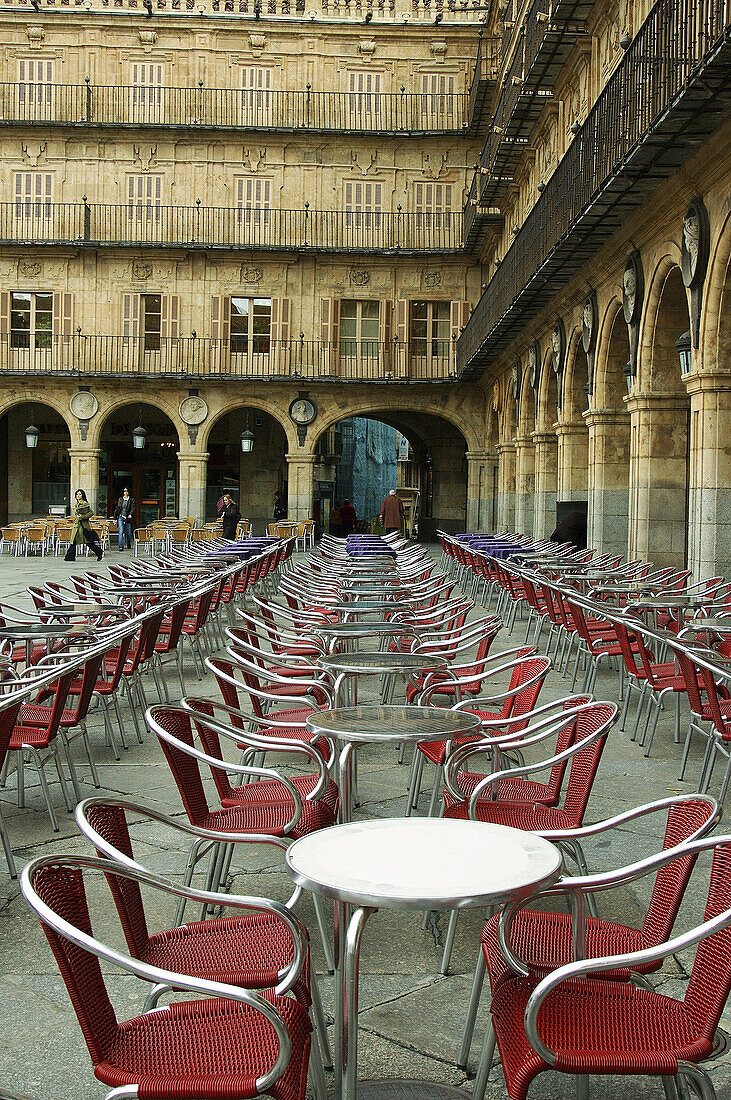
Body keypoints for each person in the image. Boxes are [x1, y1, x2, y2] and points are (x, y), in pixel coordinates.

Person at [65, 489, 103, 562]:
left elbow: (91, 513)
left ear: (82, 495)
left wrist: (82, 517)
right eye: (77, 494)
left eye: (79, 494)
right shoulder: (77, 504)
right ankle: (70, 556)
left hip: (83, 526)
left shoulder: (85, 503)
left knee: (88, 542)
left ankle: (99, 552)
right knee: (73, 541)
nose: (78, 496)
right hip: (77, 525)